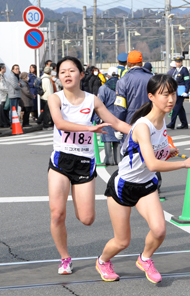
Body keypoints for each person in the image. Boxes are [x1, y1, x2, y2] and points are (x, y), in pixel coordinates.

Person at [95, 74, 190, 283]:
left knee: (159, 229)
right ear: (151, 96)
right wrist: (184, 163)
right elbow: (152, 164)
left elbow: (152, 158)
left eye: (173, 93)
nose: (171, 99)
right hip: (123, 186)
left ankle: (145, 259)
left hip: (146, 185)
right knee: (122, 241)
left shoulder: (162, 121)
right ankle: (102, 261)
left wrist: (167, 151)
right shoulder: (143, 126)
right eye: (165, 94)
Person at [47, 56, 131, 275]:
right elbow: (59, 123)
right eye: (62, 71)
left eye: (72, 71)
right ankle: (65, 258)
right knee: (57, 214)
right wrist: (89, 129)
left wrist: (142, 132)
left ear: (81, 75)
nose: (67, 74)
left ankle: (78, 201)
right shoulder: (55, 98)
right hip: (61, 161)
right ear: (58, 76)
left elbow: (115, 122)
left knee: (87, 218)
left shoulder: (92, 100)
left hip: (85, 163)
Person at [114, 50, 153, 127]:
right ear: (141, 63)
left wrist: (118, 126)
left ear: (128, 64)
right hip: (150, 119)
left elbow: (120, 107)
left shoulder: (123, 80)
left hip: (130, 120)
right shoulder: (152, 78)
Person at [97, 67, 122, 165]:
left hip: (106, 115)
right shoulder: (122, 86)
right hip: (119, 114)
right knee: (118, 138)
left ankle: (109, 159)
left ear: (108, 76)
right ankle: (118, 159)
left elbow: (99, 104)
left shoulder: (103, 88)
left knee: (107, 138)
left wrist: (97, 118)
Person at [167, 56, 190, 129]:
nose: (178, 63)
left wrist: (186, 91)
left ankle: (172, 123)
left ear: (181, 62)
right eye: (176, 62)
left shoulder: (184, 70)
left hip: (181, 90)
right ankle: (184, 124)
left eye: (179, 62)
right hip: (176, 90)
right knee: (180, 109)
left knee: (176, 106)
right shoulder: (176, 70)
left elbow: (187, 81)